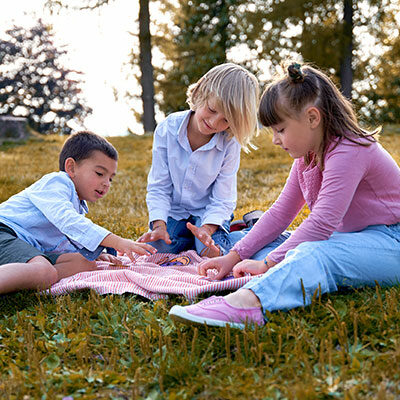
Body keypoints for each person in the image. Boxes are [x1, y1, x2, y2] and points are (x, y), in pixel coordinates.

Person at [169, 62, 400, 329]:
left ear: (313, 118)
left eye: (280, 130)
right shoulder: (307, 157)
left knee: (312, 253)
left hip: (392, 240)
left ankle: (248, 304)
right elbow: (280, 213)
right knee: (253, 243)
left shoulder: (350, 150)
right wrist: (233, 257)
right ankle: (270, 273)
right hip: (353, 238)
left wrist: (268, 263)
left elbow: (322, 223)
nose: (276, 140)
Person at [0, 131, 156, 294]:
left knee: (85, 262)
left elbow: (66, 241)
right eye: (100, 174)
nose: (106, 183)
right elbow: (67, 220)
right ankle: (40, 275)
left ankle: (29, 278)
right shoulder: (56, 183)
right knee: (44, 271)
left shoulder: (77, 204)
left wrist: (96, 253)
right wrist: (116, 242)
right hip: (5, 232)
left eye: (110, 178)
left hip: (28, 246)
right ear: (71, 167)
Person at [138, 63, 259, 258]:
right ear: (201, 92)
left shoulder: (229, 143)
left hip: (208, 213)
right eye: (212, 109)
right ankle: (189, 239)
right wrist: (159, 225)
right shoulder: (167, 130)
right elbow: (159, 187)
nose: (214, 122)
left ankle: (252, 230)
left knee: (212, 253)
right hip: (175, 212)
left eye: (226, 120)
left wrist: (207, 229)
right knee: (159, 251)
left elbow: (222, 199)